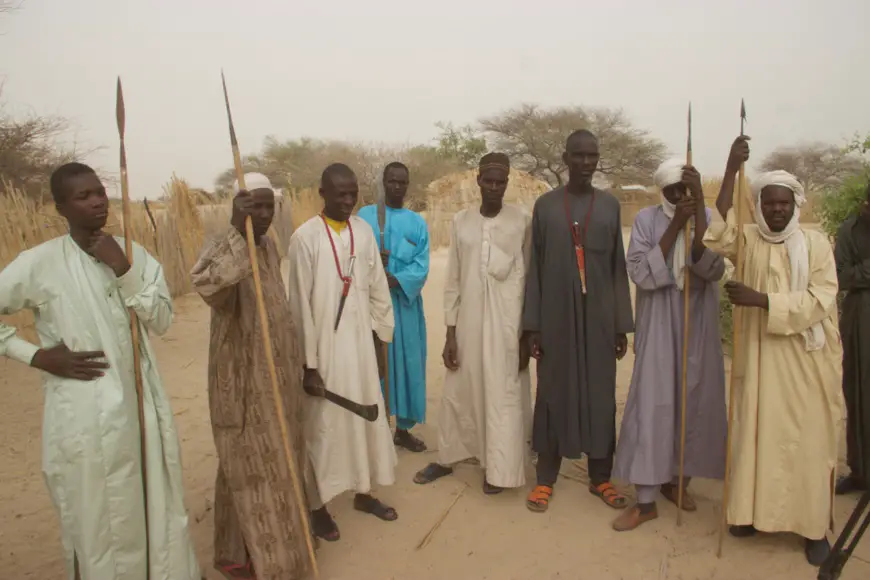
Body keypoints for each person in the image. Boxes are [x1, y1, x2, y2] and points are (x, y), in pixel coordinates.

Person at [0, 163, 201, 580]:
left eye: (99, 192)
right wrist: (36, 356)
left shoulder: (135, 254)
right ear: (60, 207)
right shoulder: (40, 262)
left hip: (139, 404)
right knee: (96, 517)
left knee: (151, 505)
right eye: (82, 196)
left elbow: (161, 320)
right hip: (82, 413)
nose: (95, 201)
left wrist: (123, 269)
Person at [707, 136, 844, 567]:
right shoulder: (749, 241)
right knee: (757, 435)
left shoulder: (818, 245)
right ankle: (750, 514)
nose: (777, 210)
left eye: (784, 203)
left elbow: (822, 299)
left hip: (805, 363)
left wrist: (762, 300)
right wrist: (730, 168)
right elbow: (719, 229)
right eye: (769, 203)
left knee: (806, 443)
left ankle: (812, 528)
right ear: (761, 205)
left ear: (795, 205)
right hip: (761, 358)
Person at [190, 172, 315, 579]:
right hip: (243, 379)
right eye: (255, 206)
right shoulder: (222, 243)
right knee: (250, 464)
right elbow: (209, 287)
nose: (262, 215)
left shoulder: (269, 243)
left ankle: (240, 551)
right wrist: (233, 231)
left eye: (268, 206)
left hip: (278, 376)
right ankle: (269, 563)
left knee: (276, 460)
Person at [611, 159, 727, 531]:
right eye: (672, 191)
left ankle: (677, 481)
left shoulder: (707, 216)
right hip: (659, 319)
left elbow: (713, 268)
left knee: (692, 399)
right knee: (653, 401)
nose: (679, 197)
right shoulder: (647, 220)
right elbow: (642, 273)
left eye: (686, 190)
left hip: (698, 320)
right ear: (662, 191)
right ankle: (645, 500)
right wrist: (676, 224)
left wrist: (697, 227)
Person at [523, 130, 634, 513]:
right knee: (553, 392)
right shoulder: (546, 206)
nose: (587, 163)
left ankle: (600, 476)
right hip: (555, 315)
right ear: (566, 158)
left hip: (600, 318)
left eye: (592, 156)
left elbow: (618, 266)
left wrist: (620, 323)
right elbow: (534, 268)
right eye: (579, 156)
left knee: (601, 395)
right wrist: (533, 326)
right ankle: (545, 479)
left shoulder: (609, 206)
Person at [286, 163, 398, 542]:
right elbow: (300, 304)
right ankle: (318, 506)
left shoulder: (364, 231)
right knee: (324, 428)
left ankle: (365, 492)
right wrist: (309, 365)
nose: (348, 201)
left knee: (366, 417)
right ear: (323, 192)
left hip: (361, 349)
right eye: (340, 194)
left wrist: (381, 339)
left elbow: (378, 288)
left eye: (353, 193)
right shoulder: (304, 238)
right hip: (326, 354)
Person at [413, 153, 533, 494]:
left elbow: (531, 277)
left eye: (501, 181)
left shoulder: (522, 220)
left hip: (508, 325)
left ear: (507, 183)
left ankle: (498, 465)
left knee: (501, 391)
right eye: (488, 180)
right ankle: (449, 456)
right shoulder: (462, 221)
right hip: (468, 323)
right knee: (459, 388)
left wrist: (527, 333)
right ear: (478, 181)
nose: (494, 187)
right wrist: (450, 332)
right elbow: (453, 277)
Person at [358, 162, 430, 452]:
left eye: (402, 182)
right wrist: (376, 277)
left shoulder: (417, 223)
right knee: (376, 364)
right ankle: (374, 428)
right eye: (392, 181)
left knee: (408, 364)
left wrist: (396, 279)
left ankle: (402, 429)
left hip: (405, 305)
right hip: (372, 306)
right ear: (383, 182)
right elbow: (353, 255)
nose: (397, 187)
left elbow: (422, 264)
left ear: (408, 184)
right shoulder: (364, 217)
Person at [834, 181, 870, 495]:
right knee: (858, 393)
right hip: (859, 318)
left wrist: (863, 271)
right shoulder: (849, 230)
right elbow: (842, 276)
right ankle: (860, 471)